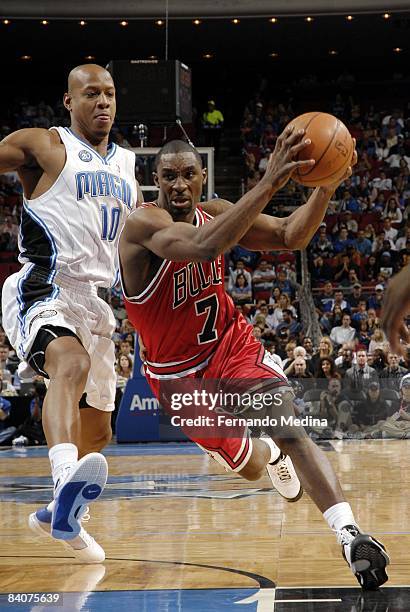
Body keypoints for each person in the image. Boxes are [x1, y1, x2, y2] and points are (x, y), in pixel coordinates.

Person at [119, 134, 389, 588]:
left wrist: (326, 184)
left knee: (289, 426)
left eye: (189, 174)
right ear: (155, 181)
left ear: (202, 175)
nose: (180, 184)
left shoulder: (220, 211)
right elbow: (202, 246)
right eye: (169, 176)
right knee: (248, 463)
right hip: (176, 380)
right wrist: (267, 181)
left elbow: (291, 234)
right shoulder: (143, 224)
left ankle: (349, 534)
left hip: (230, 347)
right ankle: (270, 458)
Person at [0, 64, 141, 562]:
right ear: (69, 101)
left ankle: (55, 517)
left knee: (99, 434)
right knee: (70, 366)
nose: (103, 102)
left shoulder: (127, 166)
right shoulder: (44, 144)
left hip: (98, 301)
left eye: (110, 93)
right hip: (44, 283)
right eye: (91, 94)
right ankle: (62, 483)